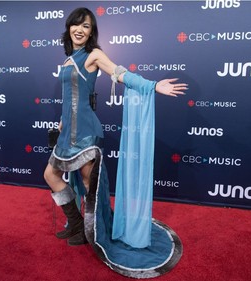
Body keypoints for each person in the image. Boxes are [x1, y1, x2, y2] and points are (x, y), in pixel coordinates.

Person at [43, 7, 185, 278]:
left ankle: (89, 232)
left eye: (86, 26)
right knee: (51, 175)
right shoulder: (67, 59)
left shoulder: (93, 55)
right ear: (69, 28)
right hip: (67, 133)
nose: (80, 29)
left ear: (91, 31)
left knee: (88, 185)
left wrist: (152, 86)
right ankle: (75, 222)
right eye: (76, 24)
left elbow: (119, 73)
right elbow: (68, 101)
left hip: (86, 134)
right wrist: (59, 127)